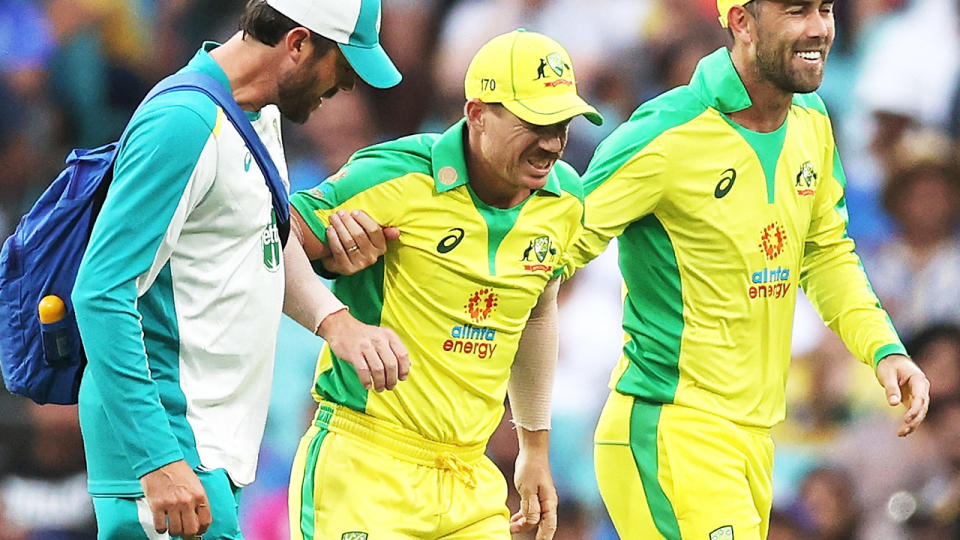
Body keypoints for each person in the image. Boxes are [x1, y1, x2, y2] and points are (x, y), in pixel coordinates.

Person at [567, 1, 931, 539]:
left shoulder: (812, 122)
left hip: (754, 439)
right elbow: (551, 244)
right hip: (672, 431)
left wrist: (883, 347)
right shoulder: (667, 133)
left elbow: (825, 251)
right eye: (796, 10)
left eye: (825, 9)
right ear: (741, 22)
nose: (819, 28)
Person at [70, 1, 410, 538]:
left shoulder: (257, 115)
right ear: (297, 44)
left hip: (204, 449)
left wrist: (335, 322)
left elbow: (264, 242)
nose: (346, 88)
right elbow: (101, 292)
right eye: (343, 68)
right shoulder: (185, 123)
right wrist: (157, 459)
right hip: (169, 445)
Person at [286, 29, 603, 540]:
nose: (552, 142)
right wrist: (337, 316)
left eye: (562, 123)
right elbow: (269, 239)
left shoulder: (565, 199)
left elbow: (537, 311)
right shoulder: (395, 176)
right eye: (535, 122)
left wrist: (534, 448)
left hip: (469, 480)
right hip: (366, 464)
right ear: (477, 114)